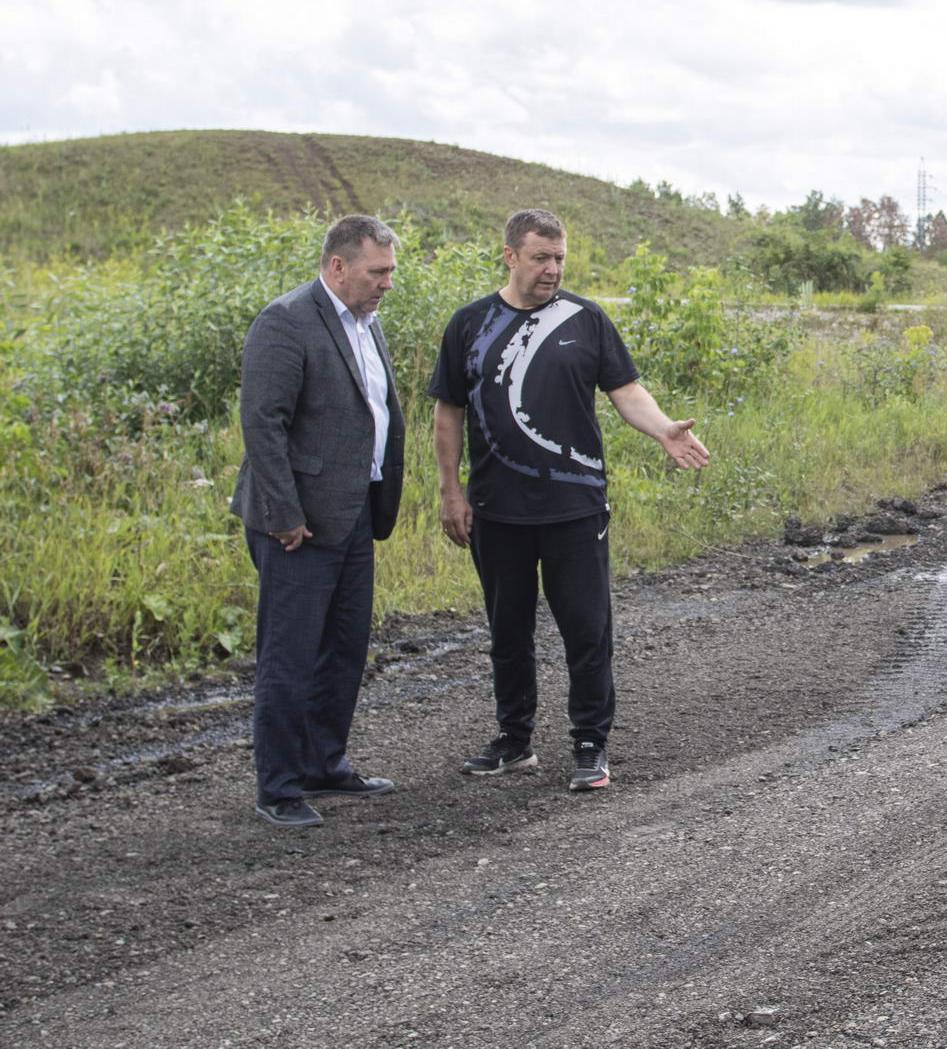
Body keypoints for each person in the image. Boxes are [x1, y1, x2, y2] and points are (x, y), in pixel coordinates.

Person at [431, 208, 710, 793]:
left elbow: (625, 390)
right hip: (496, 508)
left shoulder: (586, 319)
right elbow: (448, 412)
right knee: (507, 631)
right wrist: (450, 490)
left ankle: (590, 742)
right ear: (510, 256)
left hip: (574, 507)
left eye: (559, 258)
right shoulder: (469, 325)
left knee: (586, 630)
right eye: (540, 257)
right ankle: (514, 741)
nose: (552, 268)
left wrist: (663, 430)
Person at [232, 215, 406, 828]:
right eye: (377, 271)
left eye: (390, 271)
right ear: (338, 267)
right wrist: (283, 515)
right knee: (290, 654)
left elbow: (374, 410)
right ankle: (278, 786)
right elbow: (263, 425)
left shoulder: (366, 322)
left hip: (354, 511)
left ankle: (323, 764)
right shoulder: (285, 321)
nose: (388, 283)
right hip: (297, 522)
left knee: (344, 648)